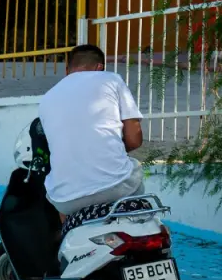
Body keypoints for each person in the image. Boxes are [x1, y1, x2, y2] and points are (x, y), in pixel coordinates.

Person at [37, 43, 144, 217]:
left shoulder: (47, 98)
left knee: (60, 200)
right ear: (99, 68)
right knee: (134, 171)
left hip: (65, 200)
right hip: (116, 187)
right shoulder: (111, 80)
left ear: (67, 70)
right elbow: (134, 140)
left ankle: (67, 231)